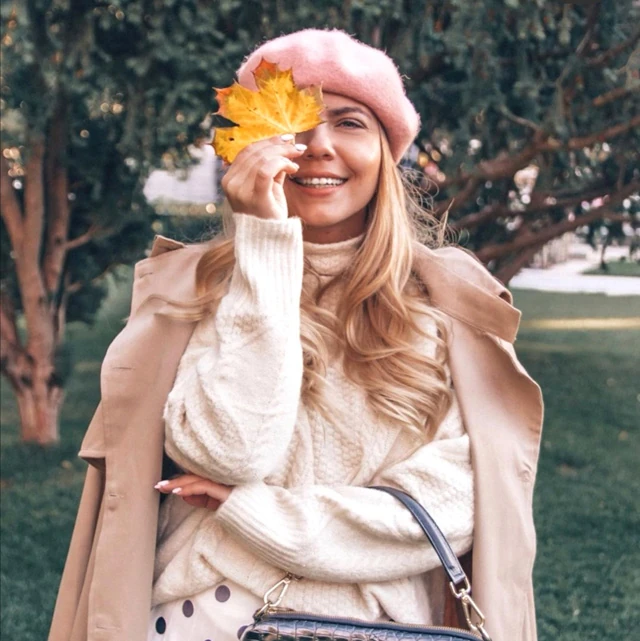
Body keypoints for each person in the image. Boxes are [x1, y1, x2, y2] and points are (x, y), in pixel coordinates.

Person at [48, 29, 543, 641]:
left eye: (350, 123)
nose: (319, 146)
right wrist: (264, 245)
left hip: (376, 630)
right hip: (199, 621)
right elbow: (228, 450)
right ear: (246, 147)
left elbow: (454, 507)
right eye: (294, 124)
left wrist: (257, 512)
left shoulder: (444, 307)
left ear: (387, 152)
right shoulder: (196, 292)